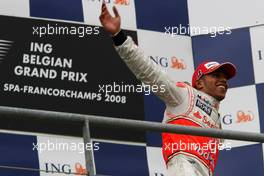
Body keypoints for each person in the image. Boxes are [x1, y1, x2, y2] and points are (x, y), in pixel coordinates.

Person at [99, 2, 236, 176]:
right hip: (183, 167)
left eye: (225, 77)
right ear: (199, 83)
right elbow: (149, 72)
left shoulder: (217, 120)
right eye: (216, 75)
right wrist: (119, 37)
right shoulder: (184, 95)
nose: (223, 79)